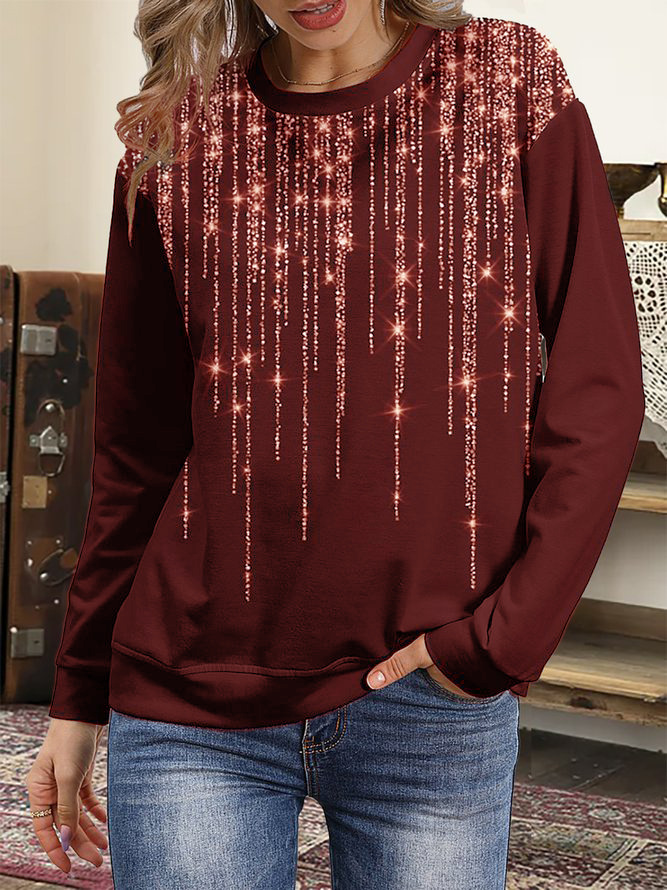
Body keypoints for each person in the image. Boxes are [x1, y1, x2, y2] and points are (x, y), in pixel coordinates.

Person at [26, 0, 645, 887]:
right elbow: (136, 447)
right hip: (190, 704)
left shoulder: (504, 80)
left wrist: (499, 643)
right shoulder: (176, 134)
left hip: (427, 703)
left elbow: (598, 384)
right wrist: (79, 690)